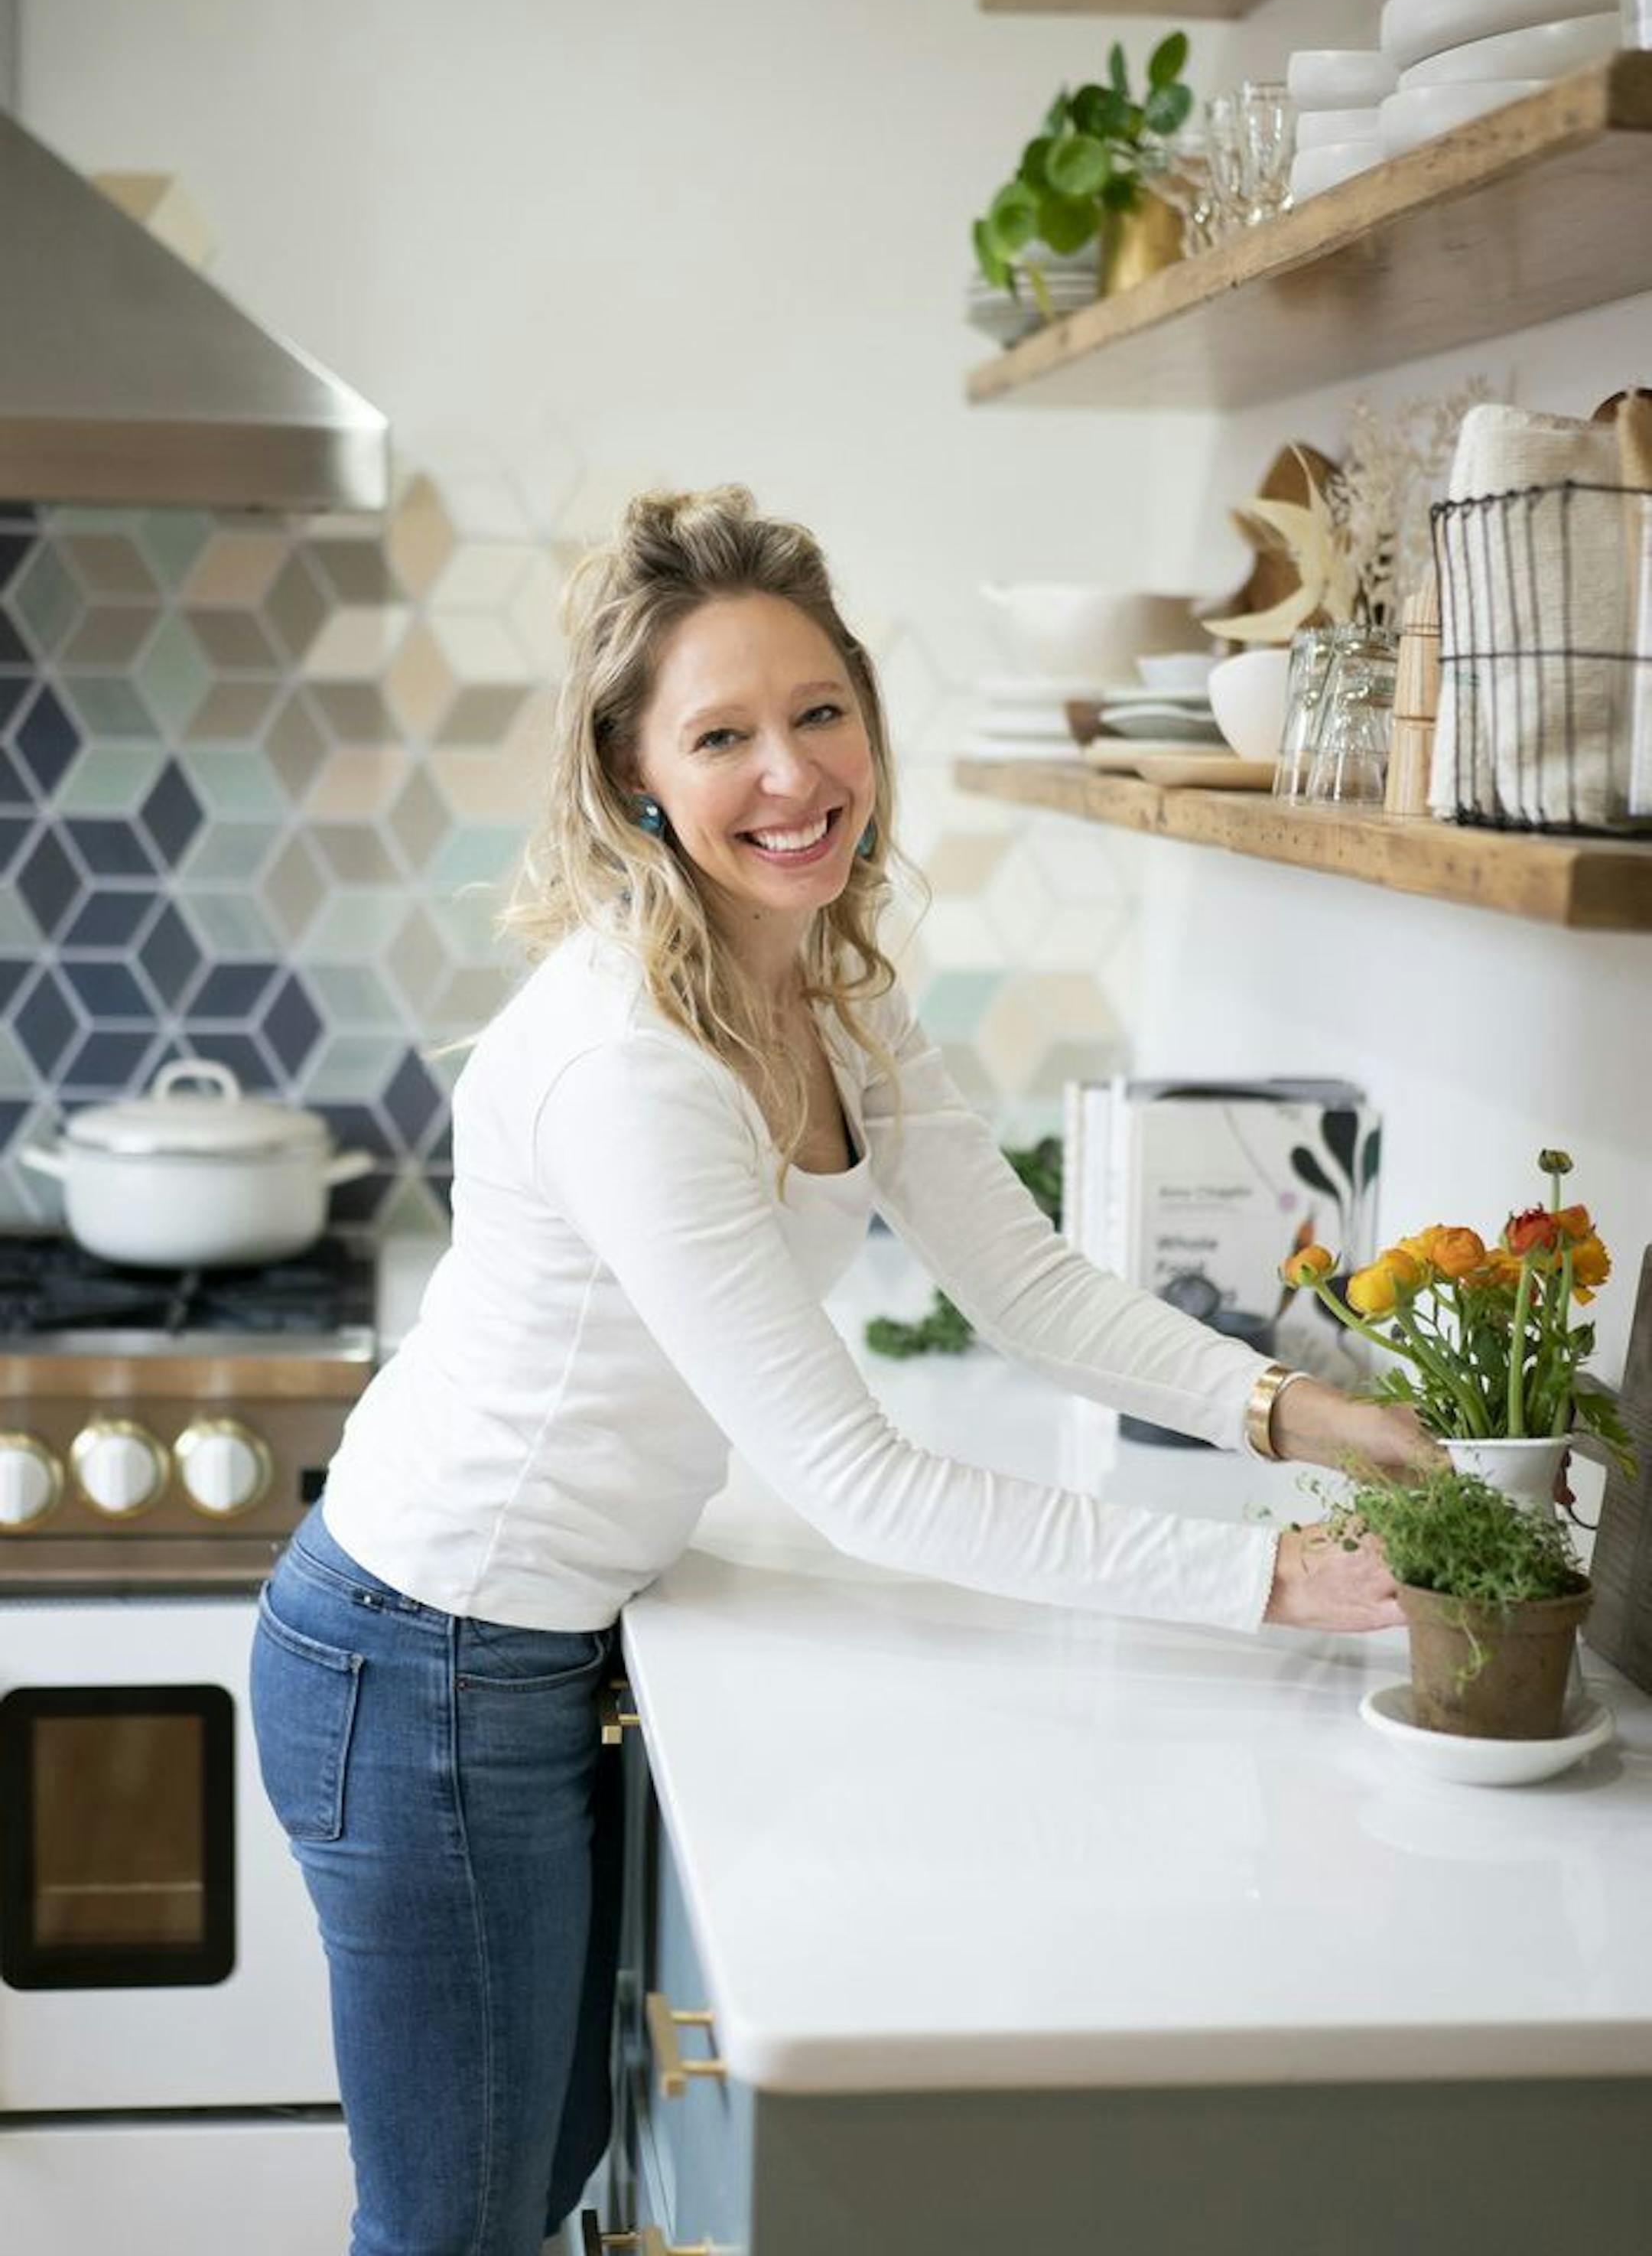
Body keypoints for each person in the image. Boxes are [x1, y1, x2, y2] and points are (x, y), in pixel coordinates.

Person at [250, 484, 1439, 2256]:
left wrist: (1301, 1411)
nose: (792, 773)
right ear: (634, 772)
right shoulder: (629, 1065)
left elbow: (1022, 1281)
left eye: (819, 713)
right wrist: (1274, 1574)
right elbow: (855, 1476)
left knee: (534, 2167)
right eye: (723, 733)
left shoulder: (831, 993)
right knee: (451, 2229)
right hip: (416, 1662)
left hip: (520, 1648)